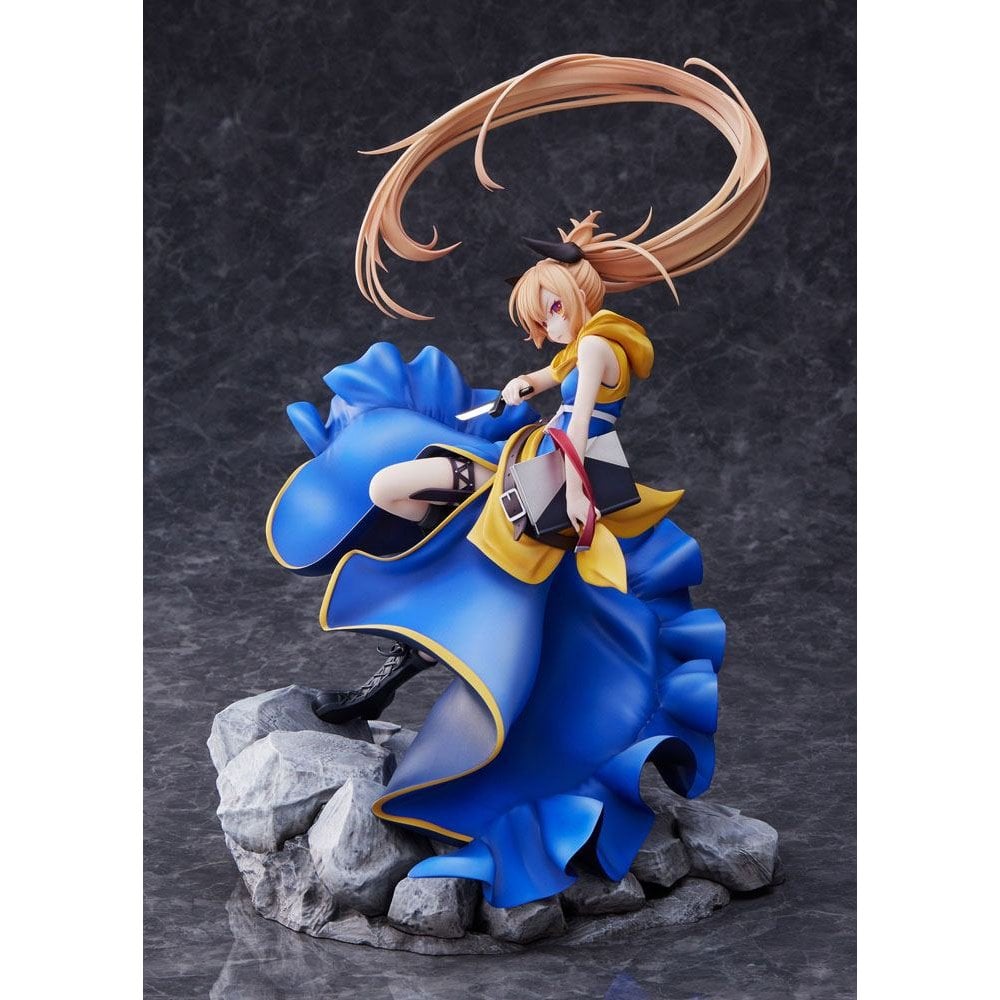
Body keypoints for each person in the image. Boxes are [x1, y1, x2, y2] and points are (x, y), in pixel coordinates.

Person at [265, 54, 770, 907]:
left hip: (563, 469)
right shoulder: (581, 348)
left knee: (457, 528)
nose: (543, 326)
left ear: (571, 291)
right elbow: (552, 382)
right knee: (406, 494)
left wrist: (562, 473)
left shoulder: (599, 346)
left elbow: (580, 413)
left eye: (547, 309)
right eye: (536, 319)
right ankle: (433, 607)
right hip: (544, 457)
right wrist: (519, 387)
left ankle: (483, 695)